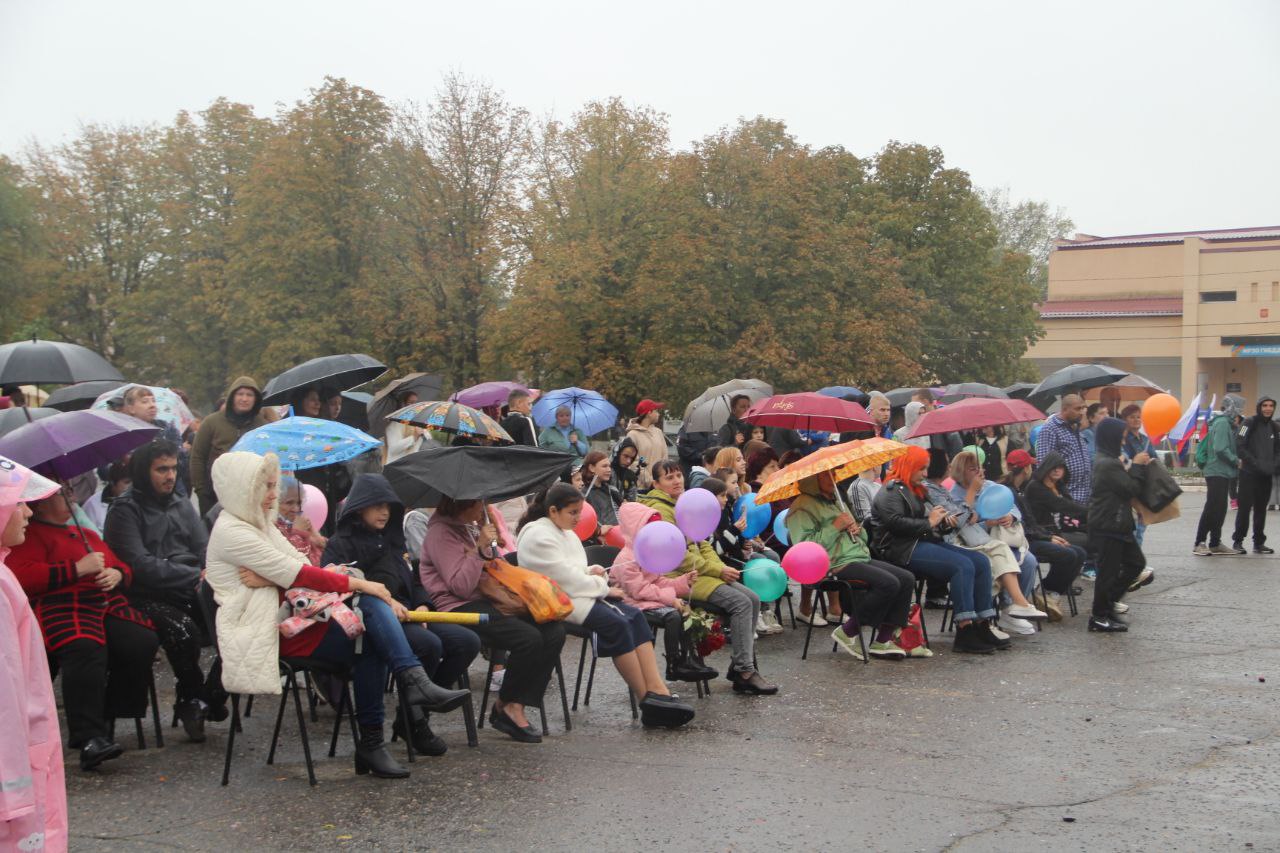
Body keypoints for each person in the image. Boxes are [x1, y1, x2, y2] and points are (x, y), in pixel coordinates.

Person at [205, 451, 469, 779]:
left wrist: (276, 577)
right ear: (242, 490)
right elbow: (300, 574)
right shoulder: (234, 531)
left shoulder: (260, 525)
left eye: (274, 486)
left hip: (293, 618)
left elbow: (302, 570)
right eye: (266, 487)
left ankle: (377, 736)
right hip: (264, 630)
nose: (273, 495)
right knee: (369, 616)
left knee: (367, 634)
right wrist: (361, 583)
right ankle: (398, 704)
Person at [322, 474, 480, 756]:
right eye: (377, 506)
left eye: (389, 507)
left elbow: (416, 577)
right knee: (429, 645)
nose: (384, 512)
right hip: (376, 622)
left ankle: (415, 713)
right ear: (360, 507)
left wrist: (423, 605)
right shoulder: (341, 543)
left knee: (466, 641)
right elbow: (342, 591)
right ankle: (415, 723)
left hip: (411, 614)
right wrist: (389, 603)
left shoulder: (394, 540)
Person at [515, 484, 696, 728]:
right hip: (557, 601)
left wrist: (592, 571)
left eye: (580, 512)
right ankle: (647, 701)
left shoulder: (563, 530)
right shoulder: (537, 535)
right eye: (573, 512)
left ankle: (658, 690)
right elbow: (562, 578)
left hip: (578, 594)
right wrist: (602, 586)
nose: (578, 518)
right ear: (553, 511)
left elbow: (573, 570)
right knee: (617, 624)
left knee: (635, 617)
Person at [8, 489, 159, 770]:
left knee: (140, 640)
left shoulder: (86, 534)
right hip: (61, 605)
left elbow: (120, 565)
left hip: (103, 604)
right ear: (40, 506)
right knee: (84, 646)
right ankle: (89, 738)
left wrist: (117, 574)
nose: (71, 499)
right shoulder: (30, 537)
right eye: (61, 495)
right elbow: (24, 575)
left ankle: (110, 715)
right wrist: (75, 569)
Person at [419, 494, 566, 744]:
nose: (484, 508)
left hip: (489, 599)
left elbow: (492, 569)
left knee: (553, 630)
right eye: (478, 503)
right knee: (527, 638)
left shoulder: (468, 527)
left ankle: (511, 703)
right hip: (457, 606)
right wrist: (479, 549)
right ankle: (507, 709)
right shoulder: (440, 534)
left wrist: (490, 549)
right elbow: (460, 587)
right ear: (462, 503)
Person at [103, 440, 222, 741]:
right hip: (143, 595)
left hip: (191, 589)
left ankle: (208, 697)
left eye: (173, 468)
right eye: (161, 469)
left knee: (240, 624)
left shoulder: (181, 504)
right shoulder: (124, 510)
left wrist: (209, 572)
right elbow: (139, 565)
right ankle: (193, 699)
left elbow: (204, 547)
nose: (170, 476)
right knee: (183, 631)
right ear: (144, 472)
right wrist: (195, 574)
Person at [641, 460, 778, 694]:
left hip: (702, 570)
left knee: (753, 598)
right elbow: (677, 555)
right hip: (680, 576)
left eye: (678, 475)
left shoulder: (683, 502)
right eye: (669, 478)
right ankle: (745, 670)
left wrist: (720, 569)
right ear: (656, 483)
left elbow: (702, 542)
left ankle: (738, 668)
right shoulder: (659, 510)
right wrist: (717, 570)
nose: (676, 481)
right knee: (741, 603)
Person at [871, 445, 1005, 654]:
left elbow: (932, 519)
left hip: (924, 542)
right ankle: (965, 630)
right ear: (909, 466)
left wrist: (944, 522)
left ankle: (983, 624)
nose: (925, 473)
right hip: (901, 549)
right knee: (962, 566)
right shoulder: (890, 490)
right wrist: (931, 522)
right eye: (921, 468)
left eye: (926, 468)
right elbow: (895, 523)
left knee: (980, 562)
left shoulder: (918, 489)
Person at [0, 457, 68, 850]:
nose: (28, 511)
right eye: (18, 503)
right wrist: (11, 787)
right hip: (16, 766)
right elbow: (6, 699)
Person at [787, 470, 923, 660]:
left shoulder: (835, 500)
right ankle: (848, 631)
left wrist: (857, 530)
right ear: (812, 479)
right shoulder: (801, 507)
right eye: (826, 476)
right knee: (889, 583)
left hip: (857, 555)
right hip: (834, 563)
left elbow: (860, 537)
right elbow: (804, 547)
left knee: (906, 579)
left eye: (833, 474)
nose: (832, 479)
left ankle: (883, 640)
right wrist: (834, 527)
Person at [942, 451, 1048, 634]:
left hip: (1002, 538)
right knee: (989, 565)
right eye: (972, 469)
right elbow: (962, 525)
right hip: (977, 543)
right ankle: (993, 614)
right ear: (961, 471)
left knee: (1029, 561)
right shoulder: (955, 494)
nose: (978, 472)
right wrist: (985, 522)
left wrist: (1011, 517)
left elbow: (1014, 509)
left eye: (979, 467)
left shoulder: (991, 486)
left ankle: (1012, 609)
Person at [608, 502, 714, 681]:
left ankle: (690, 659)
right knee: (672, 615)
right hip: (631, 603)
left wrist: (683, 581)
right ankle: (673, 664)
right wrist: (671, 600)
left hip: (647, 599)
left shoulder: (648, 551)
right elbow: (639, 590)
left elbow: (658, 580)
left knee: (686, 610)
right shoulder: (626, 558)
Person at [1087, 417, 1152, 632]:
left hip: (1118, 523)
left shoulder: (1111, 459)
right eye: (1121, 435)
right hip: (1108, 525)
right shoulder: (1107, 463)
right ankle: (1098, 616)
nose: (1124, 439)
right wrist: (1138, 466)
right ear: (1112, 437)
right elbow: (1130, 488)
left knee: (1135, 563)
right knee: (1108, 573)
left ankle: (1108, 605)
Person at [1002, 449, 1085, 619]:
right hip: (1025, 541)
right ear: (1026, 469)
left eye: (1060, 467)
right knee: (1069, 553)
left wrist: (1049, 536)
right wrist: (1048, 537)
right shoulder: (1024, 489)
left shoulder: (1021, 489)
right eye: (1053, 467)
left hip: (1039, 534)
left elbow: (1031, 522)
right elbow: (1027, 525)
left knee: (1080, 552)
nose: (1056, 471)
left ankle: (1050, 593)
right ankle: (1045, 591)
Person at [190, 376, 270, 515]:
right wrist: (201, 490)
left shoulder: (262, 426)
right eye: (240, 394)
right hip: (214, 496)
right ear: (232, 396)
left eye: (249, 395)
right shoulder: (211, 422)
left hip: (251, 496)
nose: (244, 399)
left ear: (255, 399)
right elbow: (197, 457)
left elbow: (269, 460)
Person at [1194, 395, 1244, 556]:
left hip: (1222, 471)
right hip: (1216, 470)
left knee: (1220, 508)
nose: (1240, 412)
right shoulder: (1222, 423)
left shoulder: (1226, 424)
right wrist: (1236, 461)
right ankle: (1199, 542)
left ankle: (1215, 542)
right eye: (1239, 408)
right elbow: (1221, 448)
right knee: (1212, 506)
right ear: (1232, 407)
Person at [119, 385, 190, 494]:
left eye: (153, 401)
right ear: (130, 408)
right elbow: (107, 471)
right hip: (137, 492)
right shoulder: (122, 433)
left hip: (172, 490)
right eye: (145, 401)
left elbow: (181, 459)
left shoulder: (167, 428)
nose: (152, 405)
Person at [1231, 395, 1280, 555]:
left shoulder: (1274, 426)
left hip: (1265, 475)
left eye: (1271, 406)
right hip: (1248, 474)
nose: (1268, 408)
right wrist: (1254, 463)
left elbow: (1278, 449)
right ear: (1259, 407)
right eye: (1264, 405)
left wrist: (1273, 465)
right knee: (1244, 509)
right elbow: (1239, 444)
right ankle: (1238, 541)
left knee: (1261, 510)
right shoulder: (1248, 422)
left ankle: (1259, 543)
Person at [1035, 394, 1092, 505]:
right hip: (1066, 498)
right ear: (1065, 409)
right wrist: (1056, 495)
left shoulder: (1074, 427)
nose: (1081, 412)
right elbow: (1043, 465)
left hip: (1085, 497)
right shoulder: (1050, 429)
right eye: (1077, 409)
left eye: (1082, 408)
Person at [275, 476, 327, 564]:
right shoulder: (273, 528)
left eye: (299, 503)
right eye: (289, 503)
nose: (296, 509)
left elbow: (329, 555)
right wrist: (297, 532)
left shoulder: (298, 524)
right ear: (276, 503)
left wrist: (317, 538)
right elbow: (298, 562)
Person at [624, 399, 668, 491]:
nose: (658, 414)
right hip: (641, 488)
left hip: (661, 486)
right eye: (656, 411)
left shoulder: (658, 432)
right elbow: (633, 462)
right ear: (649, 413)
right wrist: (650, 482)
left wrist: (663, 480)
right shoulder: (632, 435)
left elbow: (665, 458)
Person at [581, 450, 622, 539]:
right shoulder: (584, 494)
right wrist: (598, 531)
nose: (609, 470)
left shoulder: (611, 489)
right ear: (592, 468)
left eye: (609, 466)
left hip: (618, 536)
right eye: (604, 466)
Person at [81, 459, 130, 530]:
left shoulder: (139, 499)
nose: (131, 486)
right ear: (112, 483)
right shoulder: (92, 505)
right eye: (127, 482)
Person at [384, 388, 429, 464]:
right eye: (410, 403)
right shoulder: (394, 424)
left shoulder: (419, 423)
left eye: (416, 403)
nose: (415, 406)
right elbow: (393, 449)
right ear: (403, 404)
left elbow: (427, 442)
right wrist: (414, 437)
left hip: (414, 467)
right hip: (397, 467)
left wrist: (424, 434)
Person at [610, 437, 641, 503]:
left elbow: (632, 501)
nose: (628, 461)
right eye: (626, 456)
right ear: (617, 453)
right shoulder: (606, 471)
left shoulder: (631, 476)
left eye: (632, 458)